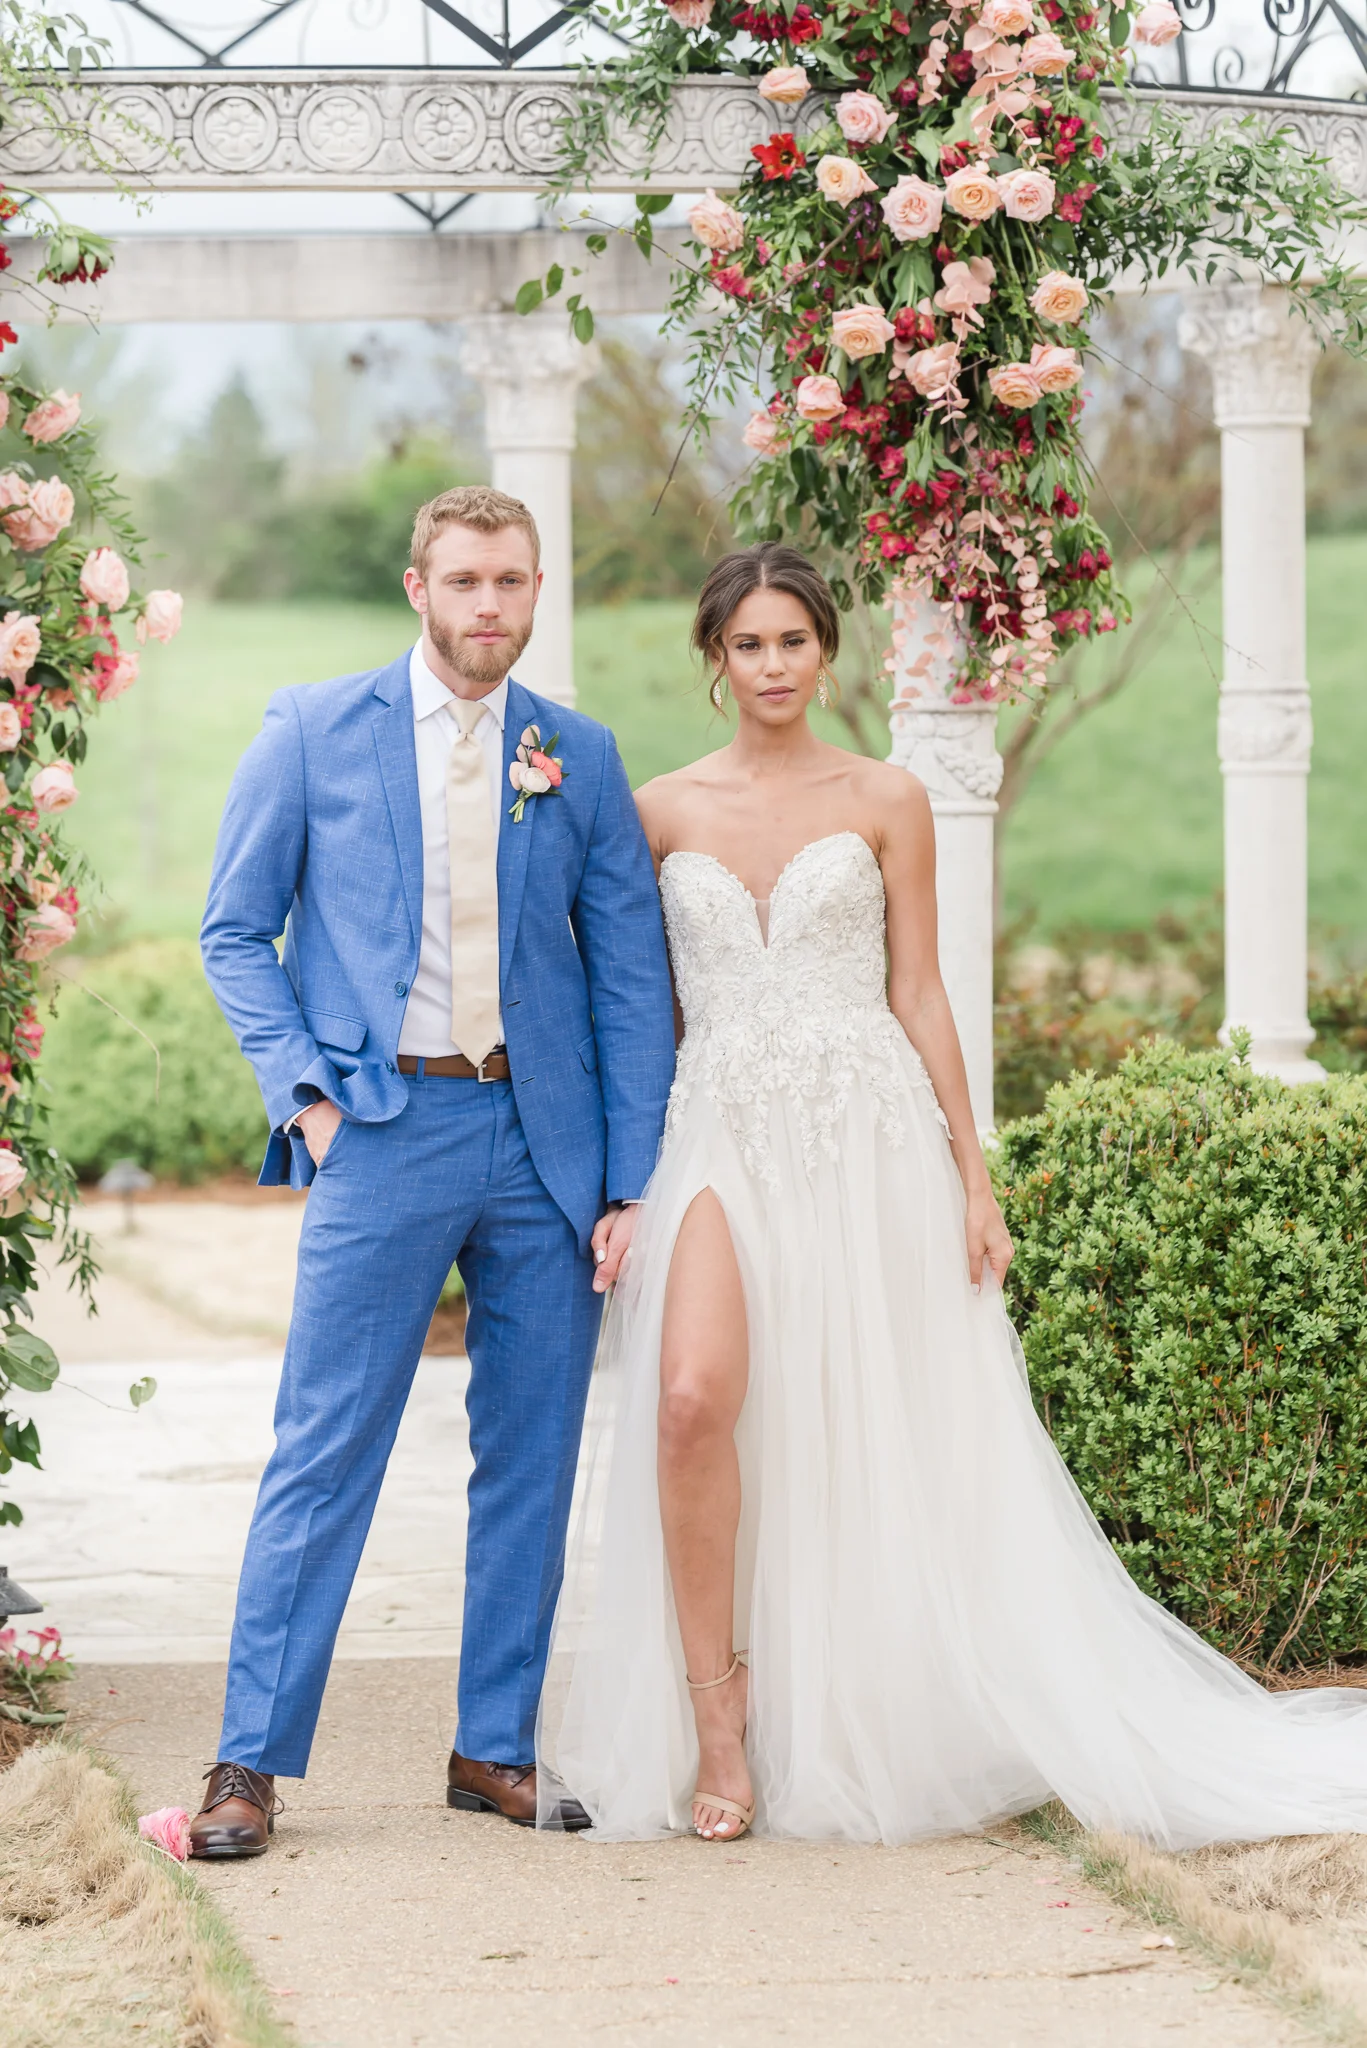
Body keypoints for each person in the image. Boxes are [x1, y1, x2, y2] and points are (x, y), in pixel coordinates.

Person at [537, 541, 1367, 1850]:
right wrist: (617, 1176)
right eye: (745, 645)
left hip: (865, 1128)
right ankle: (716, 1714)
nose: (769, 666)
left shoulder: (887, 798)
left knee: (857, 1409)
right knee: (693, 1398)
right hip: (714, 1124)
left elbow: (918, 990)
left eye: (791, 643)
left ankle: (860, 1697)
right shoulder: (656, 812)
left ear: (827, 654)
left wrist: (970, 1177)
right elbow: (626, 1002)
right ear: (713, 658)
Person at [192, 485, 675, 1856]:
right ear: (416, 586)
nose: (487, 608)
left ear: (535, 594)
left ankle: (493, 1748)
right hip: (381, 1127)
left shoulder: (574, 754)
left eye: (511, 584)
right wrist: (308, 1099)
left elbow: (629, 982)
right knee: (323, 1445)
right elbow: (235, 931)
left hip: (545, 1147)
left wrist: (627, 1179)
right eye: (463, 581)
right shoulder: (310, 732)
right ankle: (247, 1762)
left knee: (529, 1456)